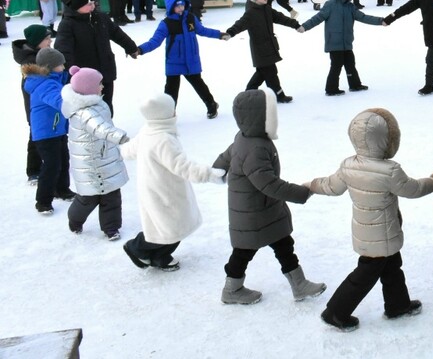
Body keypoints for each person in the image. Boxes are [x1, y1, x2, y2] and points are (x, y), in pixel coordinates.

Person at [307, 108, 433, 331]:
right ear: (386, 139)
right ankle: (335, 312)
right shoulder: (390, 171)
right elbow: (414, 189)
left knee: (392, 266)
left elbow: (331, 186)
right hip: (383, 233)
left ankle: (398, 305)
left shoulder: (348, 165)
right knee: (366, 273)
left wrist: (311, 186)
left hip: (366, 231)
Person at [214, 88, 326, 305]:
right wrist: (302, 192)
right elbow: (269, 184)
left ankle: (299, 284)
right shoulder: (255, 148)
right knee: (244, 251)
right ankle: (232, 289)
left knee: (283, 244)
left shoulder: (245, 138)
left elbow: (226, 156)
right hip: (253, 212)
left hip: (263, 209)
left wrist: (217, 169)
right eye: (270, 113)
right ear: (259, 117)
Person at [121, 93, 226, 271]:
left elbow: (129, 150)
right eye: (172, 110)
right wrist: (208, 174)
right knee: (171, 227)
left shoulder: (148, 131)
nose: (175, 112)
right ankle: (137, 247)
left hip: (155, 188)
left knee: (166, 226)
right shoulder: (163, 139)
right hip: (165, 191)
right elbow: (182, 166)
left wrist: (120, 151)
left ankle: (158, 256)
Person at [137, 0, 228, 118]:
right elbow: (155, 41)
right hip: (174, 61)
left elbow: (203, 30)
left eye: (182, 5)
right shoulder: (166, 24)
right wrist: (140, 50)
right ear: (171, 7)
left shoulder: (190, 18)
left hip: (191, 59)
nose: (181, 8)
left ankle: (211, 104)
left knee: (198, 84)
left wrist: (219, 35)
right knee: (171, 90)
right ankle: (169, 112)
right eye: (177, 6)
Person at [62, 66, 129, 240]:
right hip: (90, 164)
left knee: (112, 195)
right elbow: (101, 128)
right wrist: (121, 137)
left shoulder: (96, 104)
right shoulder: (84, 112)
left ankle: (111, 228)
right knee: (88, 198)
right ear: (88, 88)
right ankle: (75, 219)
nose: (103, 86)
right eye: (99, 84)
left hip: (104, 157)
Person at [55, 0, 139, 116]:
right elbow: (63, 50)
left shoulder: (101, 18)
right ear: (77, 6)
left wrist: (131, 47)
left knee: (106, 103)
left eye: (93, 3)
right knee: (88, 107)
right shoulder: (67, 24)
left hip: (106, 70)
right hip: (85, 75)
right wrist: (69, 72)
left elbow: (117, 34)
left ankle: (108, 124)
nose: (93, 6)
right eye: (89, 4)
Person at [299, 0, 383, 95]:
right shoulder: (330, 5)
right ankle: (331, 89)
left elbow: (363, 17)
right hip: (334, 42)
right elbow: (318, 18)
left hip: (346, 41)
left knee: (350, 63)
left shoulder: (350, 7)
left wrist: (381, 21)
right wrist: (304, 27)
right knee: (336, 65)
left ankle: (355, 85)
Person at [224, 0, 300, 103]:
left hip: (270, 46)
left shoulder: (266, 8)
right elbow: (240, 24)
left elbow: (280, 18)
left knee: (262, 73)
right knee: (270, 73)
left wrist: (295, 25)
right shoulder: (251, 13)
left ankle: (249, 93)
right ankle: (278, 95)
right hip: (260, 49)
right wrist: (230, 33)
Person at [24, 47, 73, 214]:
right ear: (50, 67)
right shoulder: (45, 84)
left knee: (63, 161)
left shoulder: (54, 80)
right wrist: (71, 105)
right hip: (45, 132)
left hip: (57, 129)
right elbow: (57, 100)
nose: (64, 67)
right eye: (60, 64)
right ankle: (43, 201)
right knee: (52, 165)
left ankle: (62, 189)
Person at [13, 24, 52, 184]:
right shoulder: (32, 61)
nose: (50, 41)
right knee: (36, 136)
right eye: (47, 39)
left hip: (44, 105)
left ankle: (52, 162)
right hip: (36, 107)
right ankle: (34, 170)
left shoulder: (41, 55)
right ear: (37, 41)